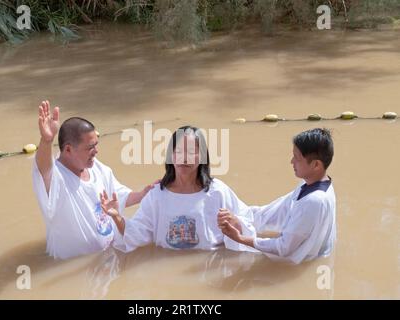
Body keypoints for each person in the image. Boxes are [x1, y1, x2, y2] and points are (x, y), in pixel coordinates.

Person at [100, 126, 258, 253]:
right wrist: (116, 217)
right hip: (166, 266)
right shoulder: (157, 195)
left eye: (191, 152)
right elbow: (137, 234)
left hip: (208, 266)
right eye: (179, 151)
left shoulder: (217, 191)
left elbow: (247, 224)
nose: (185, 158)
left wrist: (235, 221)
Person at [32, 100, 156, 259]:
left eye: (96, 145)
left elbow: (118, 196)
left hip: (109, 259)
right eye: (90, 147)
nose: (96, 151)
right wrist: (47, 141)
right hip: (74, 271)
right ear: (68, 149)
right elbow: (43, 169)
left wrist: (142, 195)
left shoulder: (98, 168)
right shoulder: (56, 178)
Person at [219, 128, 336, 264]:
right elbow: (275, 211)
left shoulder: (314, 201)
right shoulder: (309, 185)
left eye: (297, 158)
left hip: (299, 266)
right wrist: (240, 217)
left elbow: (284, 248)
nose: (292, 161)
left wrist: (240, 238)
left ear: (316, 165)